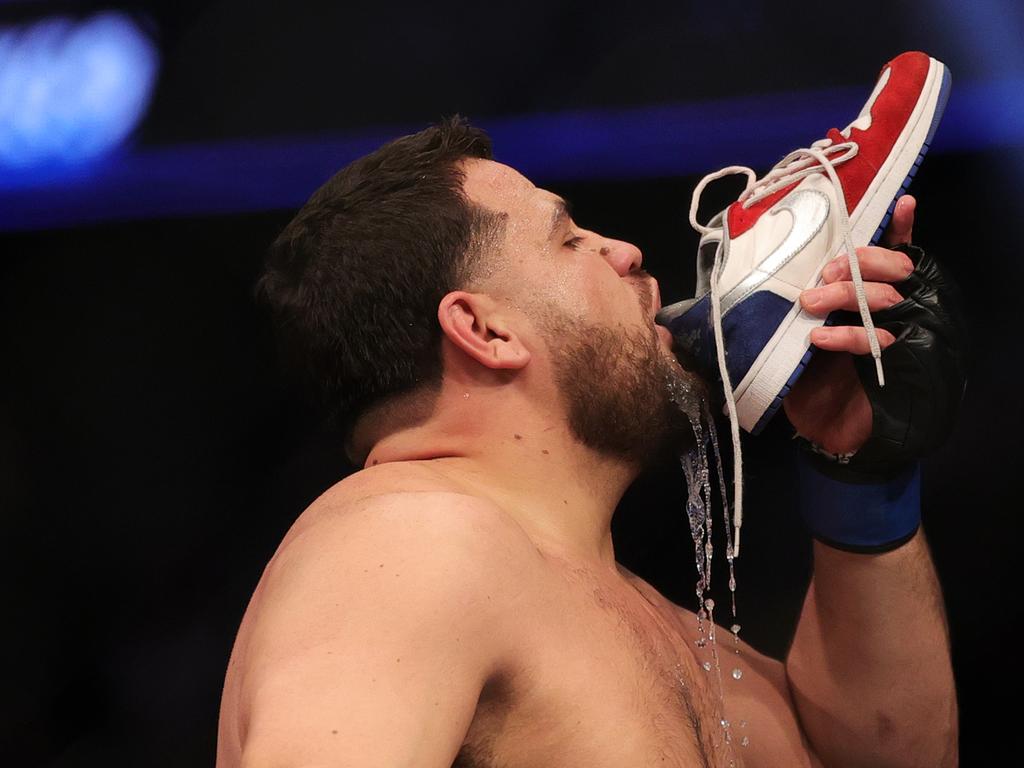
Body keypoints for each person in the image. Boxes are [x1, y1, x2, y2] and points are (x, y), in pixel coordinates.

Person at [216, 117, 958, 767]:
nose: (628, 251)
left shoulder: (622, 609)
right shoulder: (407, 547)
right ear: (484, 330)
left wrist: (860, 475)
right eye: (570, 239)